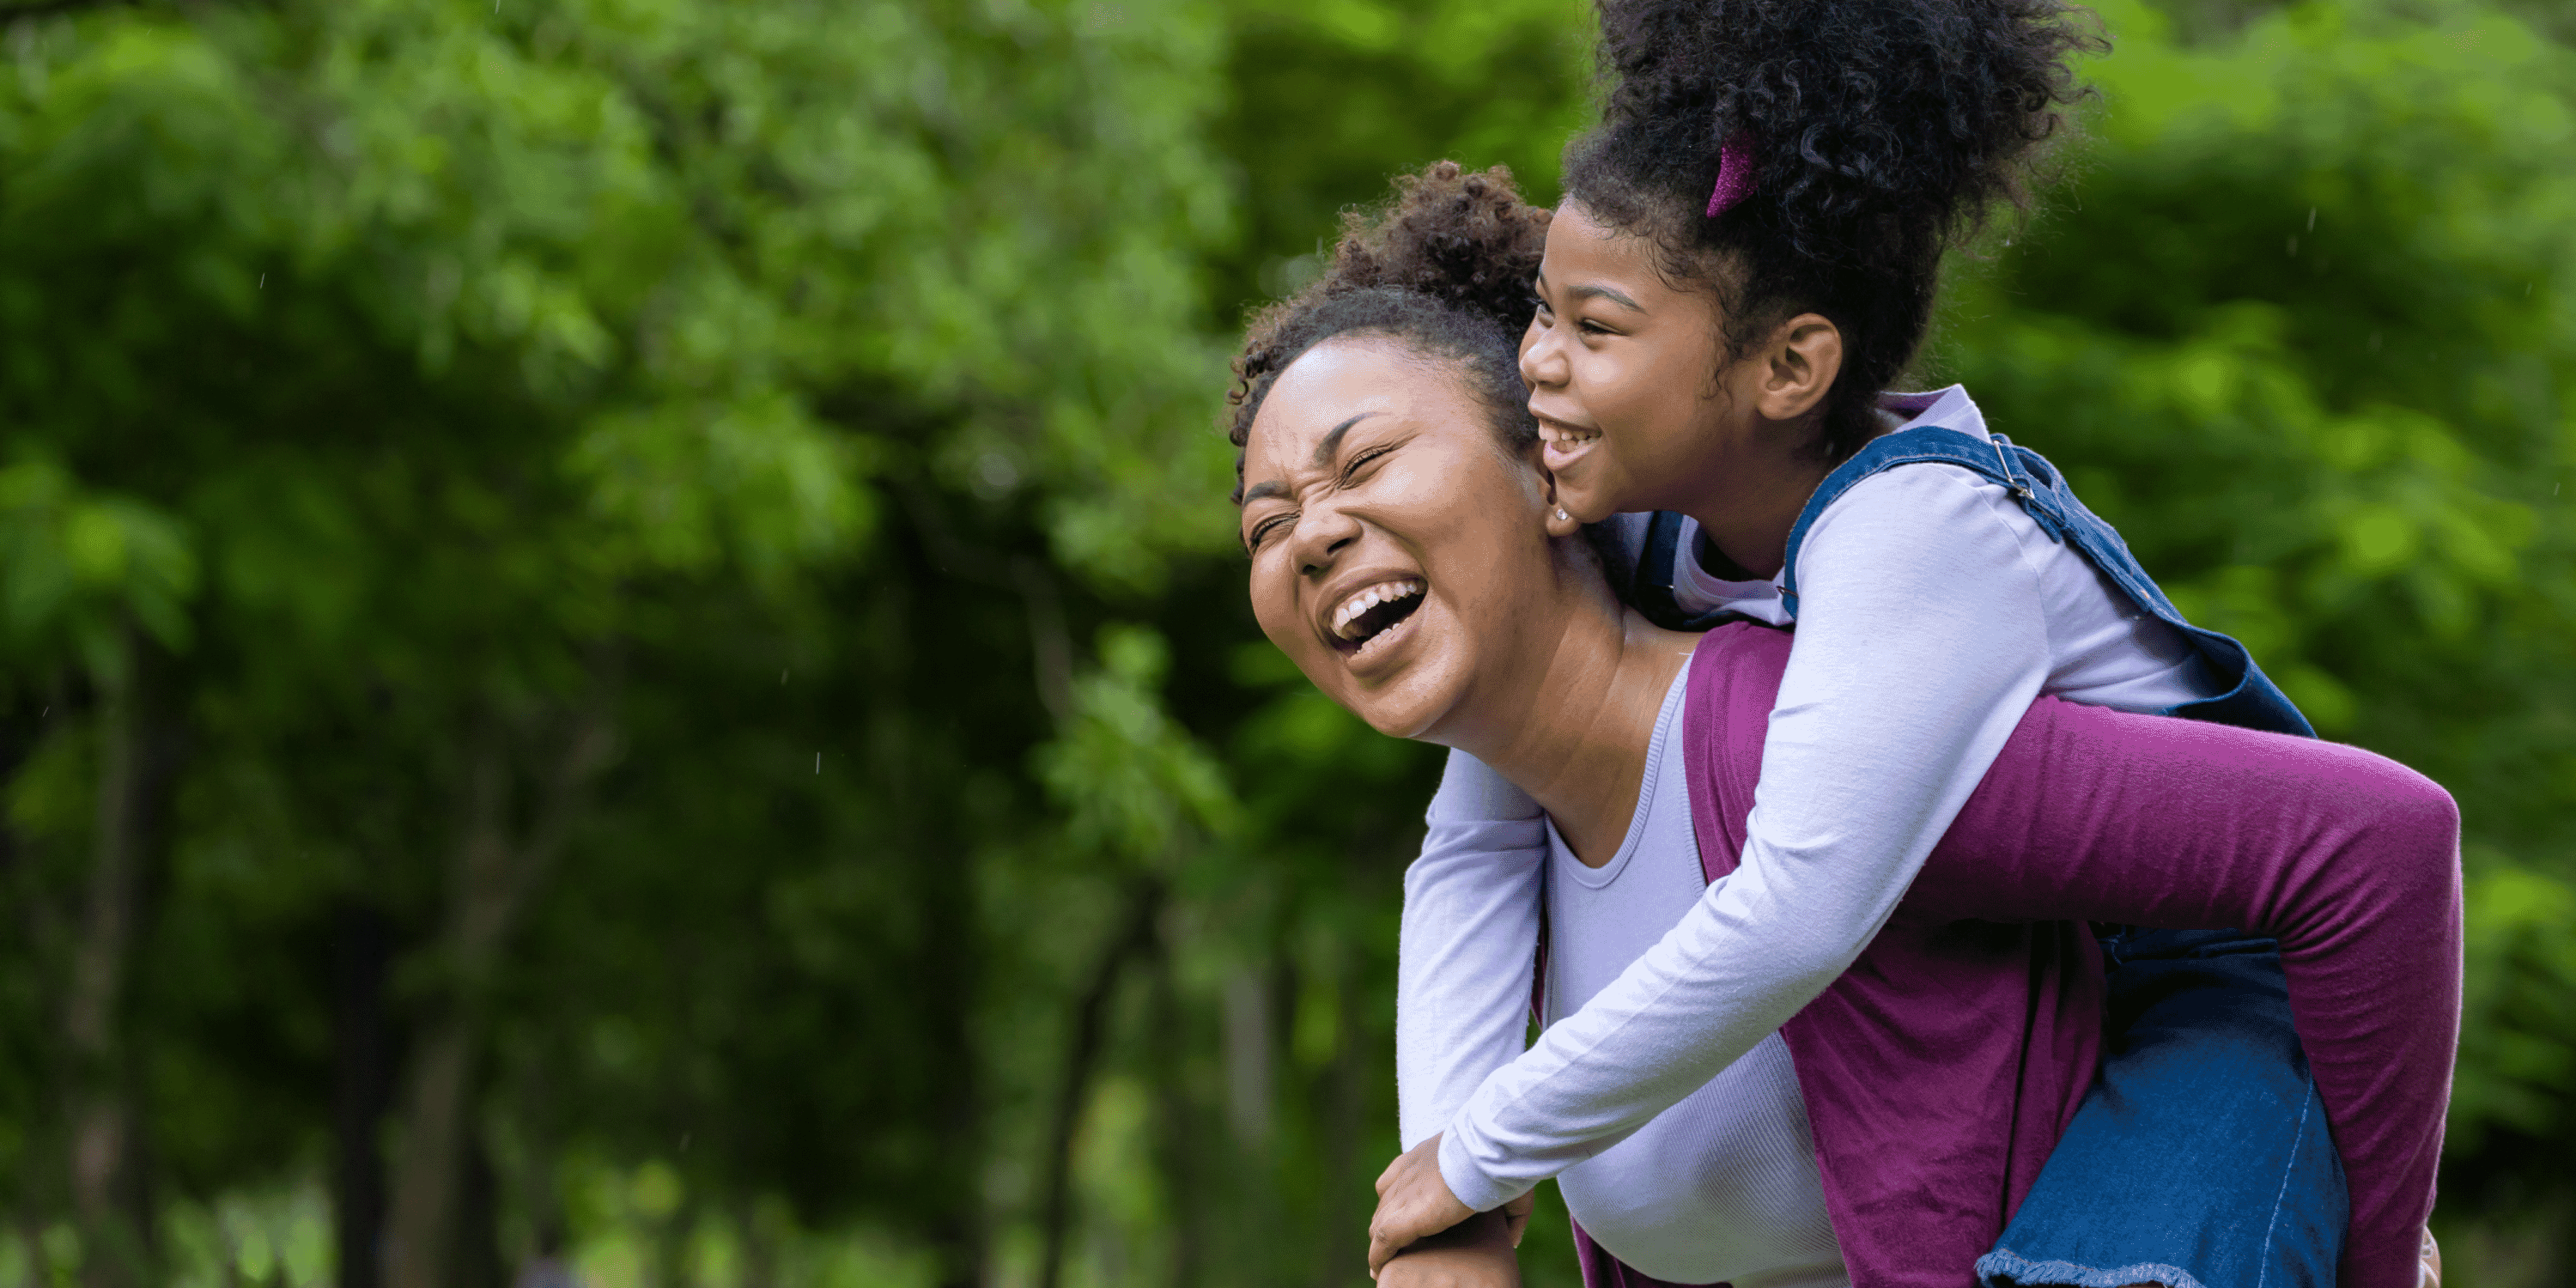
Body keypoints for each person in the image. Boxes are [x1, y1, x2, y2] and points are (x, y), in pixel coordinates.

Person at [1352, 2, 2435, 1285]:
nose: (1536, 364)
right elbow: (1477, 838)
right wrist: (1442, 1181)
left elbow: (1795, 912)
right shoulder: (1645, 533)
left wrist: (1487, 1146)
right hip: (2032, 972)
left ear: (1791, 367)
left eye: (1596, 330)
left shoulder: (1915, 528)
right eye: (1541, 314)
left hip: (2216, 988)